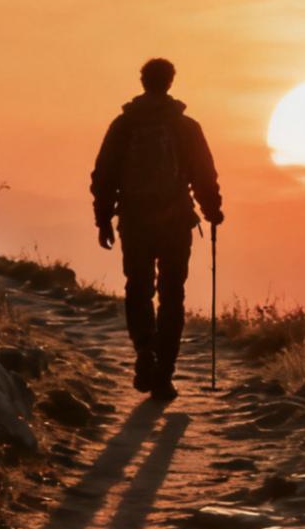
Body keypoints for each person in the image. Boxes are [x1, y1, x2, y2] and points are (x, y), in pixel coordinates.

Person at [90, 58, 223, 403]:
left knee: (138, 289)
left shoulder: (124, 125)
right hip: (175, 221)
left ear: (143, 81)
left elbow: (103, 175)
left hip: (134, 221)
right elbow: (204, 175)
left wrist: (103, 219)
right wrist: (212, 210)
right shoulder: (186, 127)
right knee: (172, 294)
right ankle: (164, 373)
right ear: (170, 82)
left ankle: (144, 348)